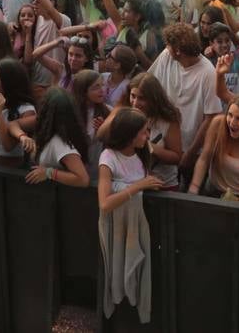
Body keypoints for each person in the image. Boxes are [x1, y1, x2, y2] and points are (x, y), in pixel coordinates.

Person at [96, 107, 155, 325]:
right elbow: (104, 203)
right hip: (115, 230)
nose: (147, 136)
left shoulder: (142, 152)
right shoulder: (108, 158)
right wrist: (138, 186)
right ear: (130, 135)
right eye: (143, 132)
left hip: (139, 228)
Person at [148, 21, 222, 172]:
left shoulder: (207, 72)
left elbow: (211, 117)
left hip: (190, 148)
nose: (166, 48)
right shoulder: (165, 57)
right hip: (162, 142)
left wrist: (190, 153)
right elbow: (149, 85)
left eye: (169, 45)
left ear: (178, 51)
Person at [189, 94, 239, 199]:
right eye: (230, 115)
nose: (232, 122)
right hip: (212, 191)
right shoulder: (218, 124)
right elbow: (204, 159)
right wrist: (194, 188)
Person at [22, 87, 91, 188]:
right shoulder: (52, 134)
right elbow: (12, 126)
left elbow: (83, 179)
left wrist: (49, 173)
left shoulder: (59, 144)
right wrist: (22, 137)